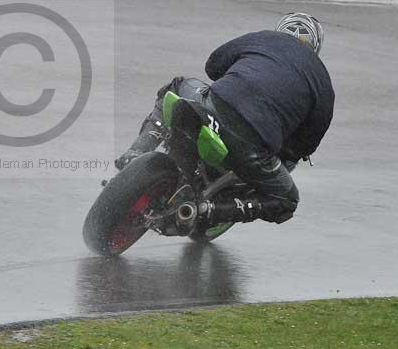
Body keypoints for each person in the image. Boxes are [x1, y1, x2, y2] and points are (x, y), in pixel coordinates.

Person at [115, 13, 335, 225]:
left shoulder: (264, 38)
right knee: (287, 200)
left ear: (281, 29)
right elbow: (307, 144)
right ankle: (208, 211)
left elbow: (213, 65)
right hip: (253, 147)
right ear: (316, 46)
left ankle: (135, 153)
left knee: (176, 87)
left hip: (210, 107)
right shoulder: (323, 82)